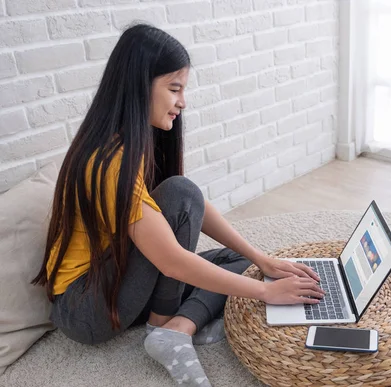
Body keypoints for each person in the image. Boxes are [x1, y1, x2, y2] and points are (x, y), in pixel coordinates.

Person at [31, 24, 325, 387]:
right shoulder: (108, 162)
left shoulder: (131, 143)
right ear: (141, 85)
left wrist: (264, 260)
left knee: (243, 265)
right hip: (85, 308)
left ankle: (176, 327)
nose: (182, 102)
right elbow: (171, 257)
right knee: (189, 208)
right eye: (174, 89)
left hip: (116, 280)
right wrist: (267, 293)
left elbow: (195, 206)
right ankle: (162, 326)